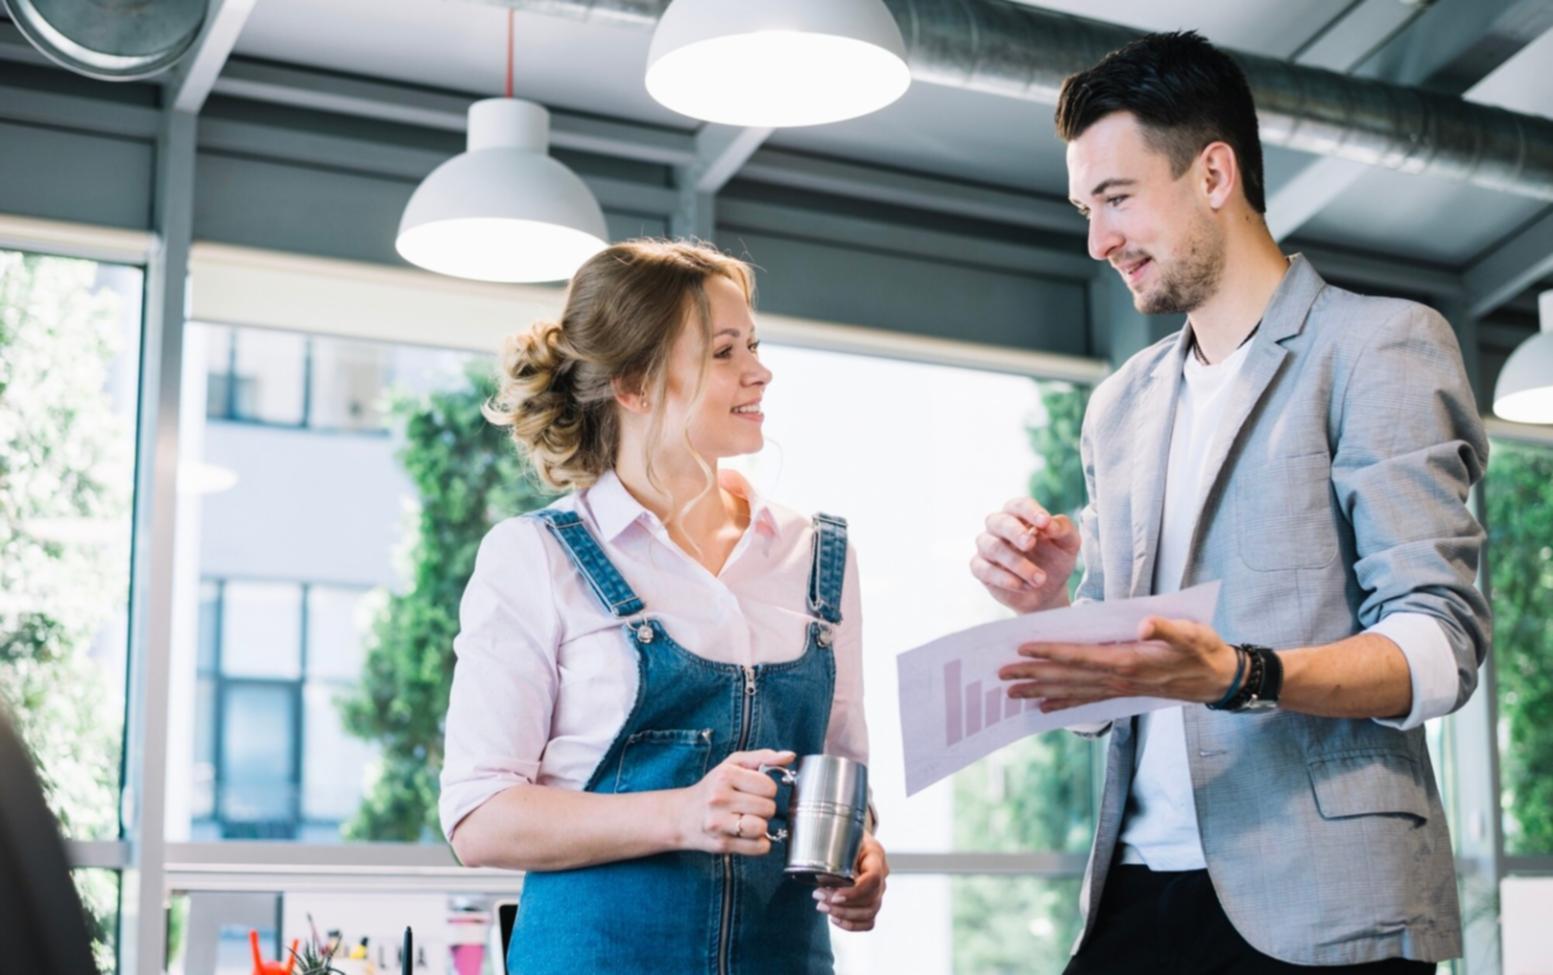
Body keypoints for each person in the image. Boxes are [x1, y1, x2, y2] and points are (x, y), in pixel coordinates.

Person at [970, 31, 1488, 973]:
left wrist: (1241, 673)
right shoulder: (1118, 405)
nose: (1098, 241)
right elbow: (1112, 695)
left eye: (1117, 198)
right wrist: (1049, 608)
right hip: (1132, 890)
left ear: (1213, 173)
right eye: (1087, 208)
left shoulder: (1377, 347)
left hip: (1323, 895)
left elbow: (1439, 644)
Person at [438, 239, 887, 974]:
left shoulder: (815, 554)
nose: (759, 369)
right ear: (633, 385)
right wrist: (680, 813)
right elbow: (479, 819)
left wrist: (860, 852)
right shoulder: (536, 556)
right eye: (722, 351)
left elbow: (840, 772)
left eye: (754, 344)